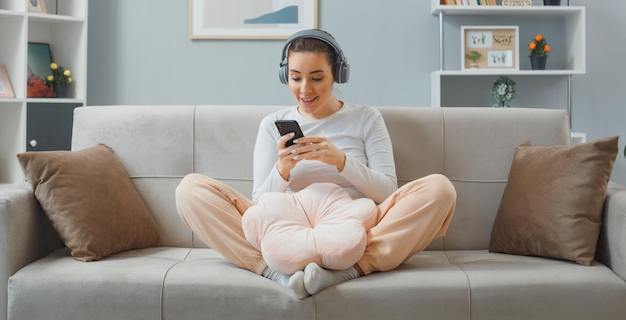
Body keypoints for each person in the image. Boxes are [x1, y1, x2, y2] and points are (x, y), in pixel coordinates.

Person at [175, 29, 456, 299]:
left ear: (337, 75)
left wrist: (342, 162)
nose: (305, 89)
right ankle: (277, 273)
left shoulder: (367, 119)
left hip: (360, 225)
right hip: (283, 227)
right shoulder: (272, 125)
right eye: (296, 78)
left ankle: (348, 269)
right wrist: (282, 171)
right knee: (190, 191)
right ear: (285, 75)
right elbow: (260, 205)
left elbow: (387, 193)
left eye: (317, 78)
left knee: (440, 190)